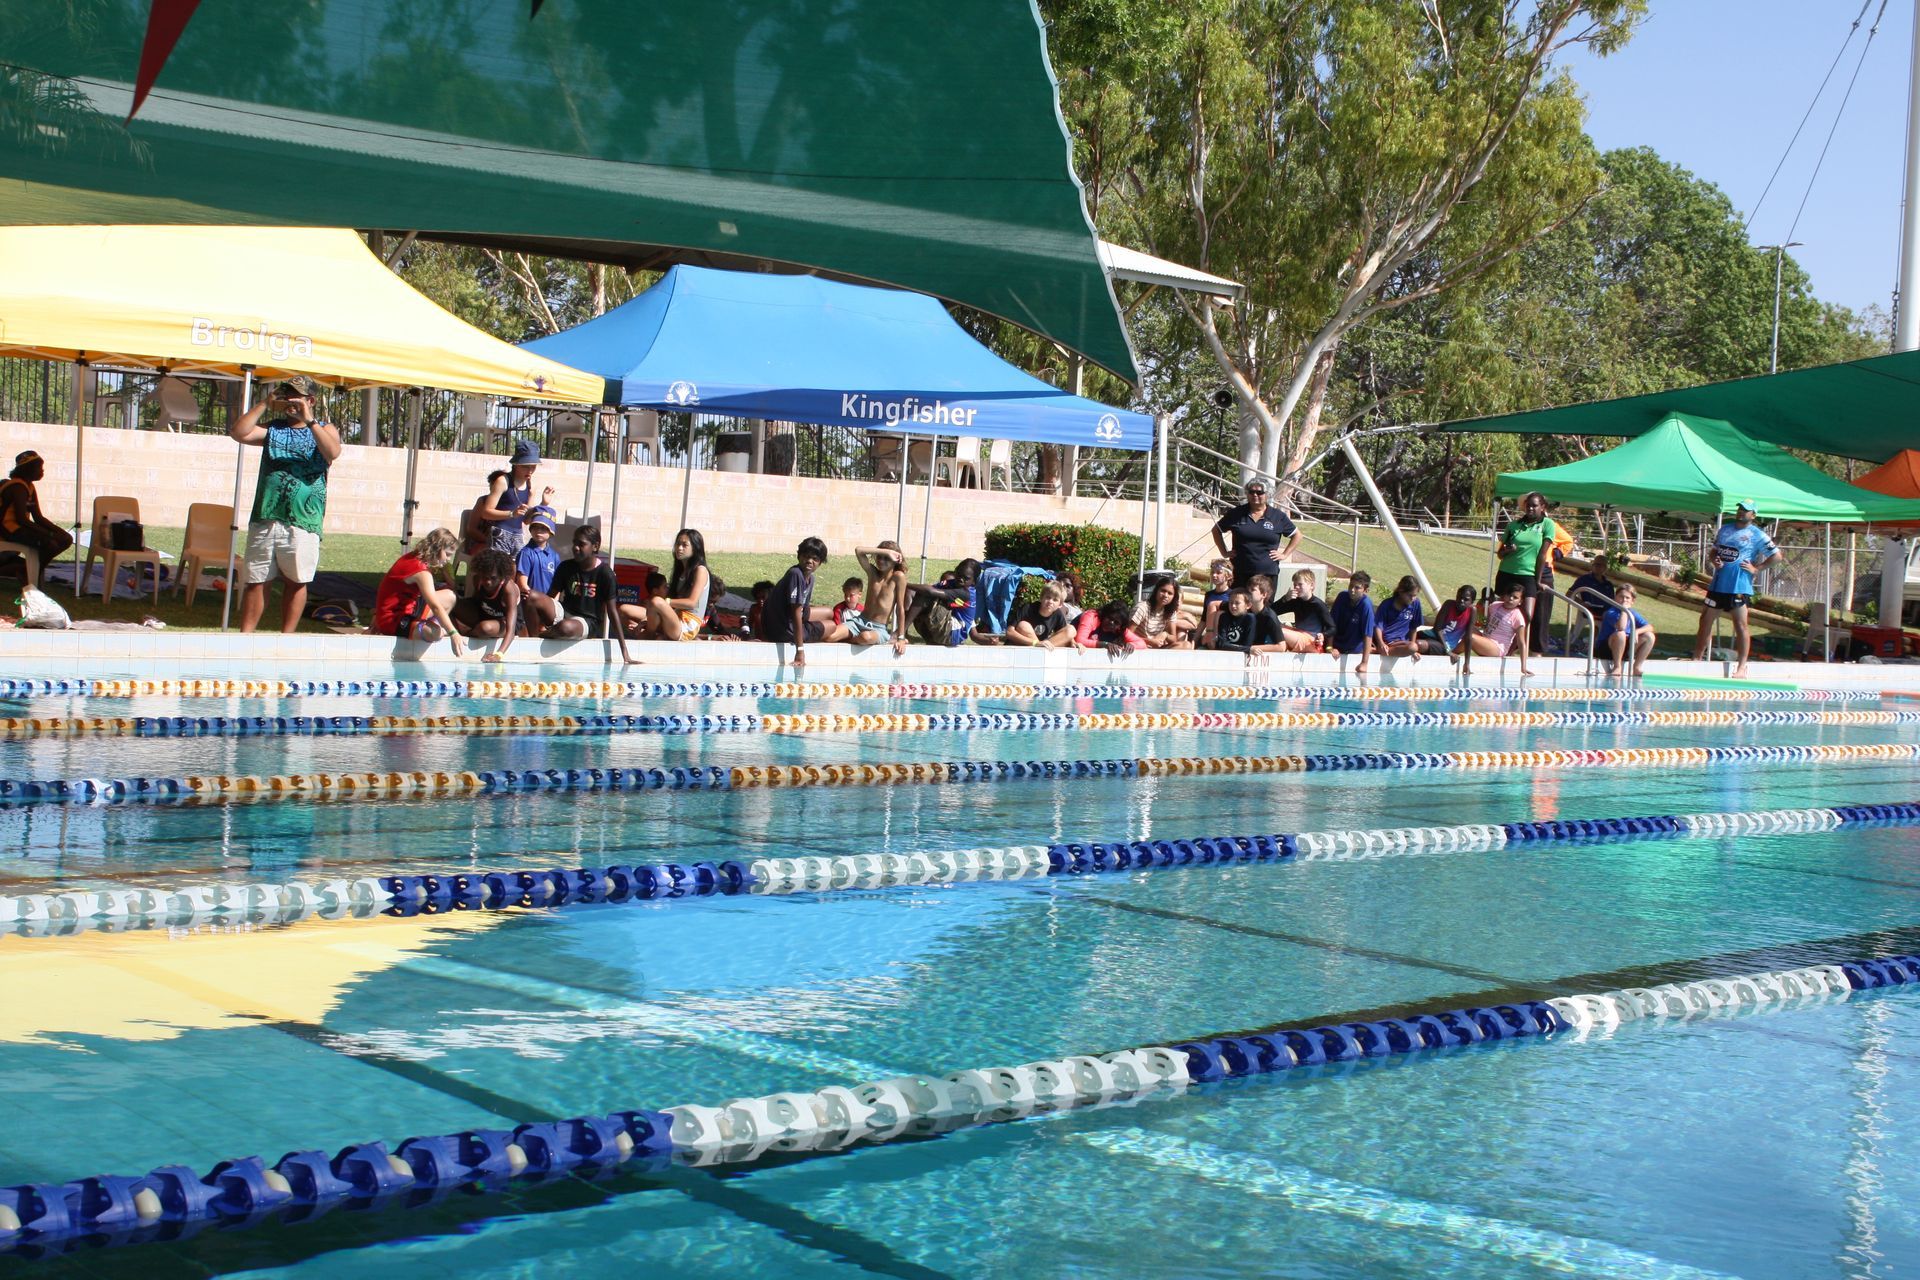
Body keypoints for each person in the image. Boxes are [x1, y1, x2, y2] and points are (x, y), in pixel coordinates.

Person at [231, 378, 341, 633]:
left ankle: (286, 637)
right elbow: (239, 432)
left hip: (304, 519)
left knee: (296, 580)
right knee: (257, 580)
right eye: (286, 395)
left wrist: (310, 419)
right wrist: (264, 404)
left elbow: (332, 452)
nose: (290, 401)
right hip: (267, 515)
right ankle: (245, 637)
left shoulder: (326, 428)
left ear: (310, 400)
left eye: (296, 396)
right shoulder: (274, 429)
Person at [1694, 501, 1782, 678]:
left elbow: (1777, 556)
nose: (1741, 512)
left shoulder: (1757, 535)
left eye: (1746, 511)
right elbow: (1714, 551)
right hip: (1718, 586)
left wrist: (1757, 568)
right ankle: (1697, 659)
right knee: (1705, 620)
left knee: (1740, 626)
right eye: (1740, 509)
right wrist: (1715, 560)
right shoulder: (1725, 529)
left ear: (1753, 515)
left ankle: (1741, 667)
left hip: (1739, 587)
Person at [548, 525, 635, 663]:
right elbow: (550, 598)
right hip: (565, 612)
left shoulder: (606, 574)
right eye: (574, 543)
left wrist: (624, 650)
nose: (575, 547)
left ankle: (545, 634)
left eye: (581, 544)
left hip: (587, 621)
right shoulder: (566, 567)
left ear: (595, 546)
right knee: (533, 598)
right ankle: (535, 636)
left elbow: (612, 612)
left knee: (565, 627)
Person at [372, 527, 465, 652]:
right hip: (392, 620)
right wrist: (453, 632)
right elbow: (435, 606)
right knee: (435, 633)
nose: (448, 559)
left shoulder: (414, 557)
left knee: (450, 596)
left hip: (405, 609)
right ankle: (425, 628)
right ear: (437, 549)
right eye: (447, 554)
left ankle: (423, 625)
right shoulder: (421, 572)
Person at [766, 536, 846, 665]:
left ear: (821, 562)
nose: (809, 561)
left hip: (788, 619)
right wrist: (800, 650)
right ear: (799, 556)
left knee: (829, 613)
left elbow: (803, 609)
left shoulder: (810, 578)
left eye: (815, 559)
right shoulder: (795, 574)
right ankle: (810, 634)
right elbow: (796, 613)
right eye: (806, 556)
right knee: (831, 626)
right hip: (781, 629)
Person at [1210, 479, 1300, 587]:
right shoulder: (1236, 513)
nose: (1255, 495)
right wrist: (1224, 552)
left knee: (1263, 604)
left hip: (1267, 574)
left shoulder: (1278, 516)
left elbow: (1297, 535)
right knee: (1238, 603)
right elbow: (1216, 530)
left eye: (1259, 492)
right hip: (1239, 572)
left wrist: (1284, 554)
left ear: (1268, 494)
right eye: (1251, 492)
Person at [626, 527, 711, 642]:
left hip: (687, 625)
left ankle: (648, 635)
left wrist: (666, 602)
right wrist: (647, 619)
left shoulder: (700, 571)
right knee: (624, 609)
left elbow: (692, 603)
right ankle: (650, 633)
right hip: (674, 617)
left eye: (684, 545)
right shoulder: (680, 571)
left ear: (695, 548)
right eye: (677, 544)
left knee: (656, 601)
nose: (679, 548)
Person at [469, 440, 550, 558]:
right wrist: (512, 513)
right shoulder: (503, 481)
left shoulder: (530, 485)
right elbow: (486, 512)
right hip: (500, 534)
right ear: (516, 464)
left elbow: (526, 520)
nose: (530, 470)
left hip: (518, 535)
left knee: (516, 572)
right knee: (498, 573)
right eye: (526, 466)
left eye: (533, 466)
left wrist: (543, 503)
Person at [0, 451, 72, 585]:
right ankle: (28, 571)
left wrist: (60, 532)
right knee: (50, 543)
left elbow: (38, 517)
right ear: (28, 469)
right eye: (39, 468)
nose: (42, 471)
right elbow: (22, 520)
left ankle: (28, 570)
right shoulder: (17, 487)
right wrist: (50, 534)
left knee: (65, 540)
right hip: (8, 530)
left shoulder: (29, 487)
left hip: (19, 528)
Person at [451, 548, 522, 662]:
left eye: (493, 578)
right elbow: (475, 602)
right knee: (450, 601)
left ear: (501, 576)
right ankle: (458, 634)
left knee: (485, 628)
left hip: (503, 623)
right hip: (484, 614)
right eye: (485, 578)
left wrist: (498, 655)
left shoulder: (508, 589)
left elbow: (511, 631)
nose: (488, 582)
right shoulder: (478, 580)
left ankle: (468, 633)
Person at [848, 543, 910, 655]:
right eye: (879, 557)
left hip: (878, 628)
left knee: (865, 637)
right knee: (831, 636)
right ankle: (851, 637)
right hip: (859, 621)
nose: (881, 561)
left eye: (886, 558)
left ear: (895, 560)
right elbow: (858, 550)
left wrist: (901, 638)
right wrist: (886, 552)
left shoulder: (898, 577)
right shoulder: (873, 573)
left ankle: (852, 638)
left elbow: (900, 608)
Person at [908, 558, 980, 647]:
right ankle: (927, 640)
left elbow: (930, 591)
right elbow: (930, 588)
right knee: (915, 595)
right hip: (948, 628)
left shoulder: (966, 592)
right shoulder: (950, 583)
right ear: (955, 571)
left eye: (966, 578)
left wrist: (905, 584)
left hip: (954, 633)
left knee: (923, 595)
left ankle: (900, 633)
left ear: (974, 582)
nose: (961, 579)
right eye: (959, 574)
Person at [514, 506, 561, 636]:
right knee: (529, 634)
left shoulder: (554, 556)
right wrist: (532, 599)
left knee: (545, 632)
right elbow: (522, 582)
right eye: (535, 527)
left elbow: (558, 584)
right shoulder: (526, 553)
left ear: (551, 532)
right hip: (529, 605)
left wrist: (554, 603)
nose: (538, 531)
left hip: (548, 605)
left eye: (543, 528)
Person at [1468, 582, 1532, 676]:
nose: (1510, 599)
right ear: (1504, 596)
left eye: (1515, 597)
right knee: (1465, 628)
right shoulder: (1495, 605)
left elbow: (1521, 643)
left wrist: (1523, 666)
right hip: (1486, 639)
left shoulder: (1517, 617)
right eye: (1509, 595)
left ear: (1520, 601)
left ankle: (1452, 653)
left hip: (1497, 649)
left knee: (1471, 638)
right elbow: (1485, 621)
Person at [1565, 553, 1618, 655]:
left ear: (1605, 568)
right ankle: (1593, 645)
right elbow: (1569, 594)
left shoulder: (1608, 584)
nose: (1597, 567)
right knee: (1607, 619)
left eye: (1600, 565)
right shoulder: (1584, 579)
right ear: (1592, 565)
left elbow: (1612, 601)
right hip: (1588, 609)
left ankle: (1605, 646)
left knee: (1617, 619)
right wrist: (1582, 604)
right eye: (1595, 564)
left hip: (1605, 611)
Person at [1270, 568, 1334, 652]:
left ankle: (1280, 648)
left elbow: (1332, 627)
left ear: (1311, 585)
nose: (1296, 587)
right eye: (1295, 584)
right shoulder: (1295, 601)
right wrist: (1285, 599)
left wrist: (1323, 635)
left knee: (1278, 630)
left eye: (1300, 584)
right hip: (1299, 635)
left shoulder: (1318, 604)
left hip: (1311, 642)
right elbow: (1270, 612)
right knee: (1271, 624)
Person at [1602, 584, 1656, 677]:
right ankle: (1617, 666)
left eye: (1627, 598)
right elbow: (1621, 627)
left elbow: (1650, 627)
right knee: (1621, 634)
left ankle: (1636, 668)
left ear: (1632, 601)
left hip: (1626, 647)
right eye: (1621, 597)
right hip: (1608, 647)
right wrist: (1624, 610)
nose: (1624, 600)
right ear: (1615, 598)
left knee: (1649, 636)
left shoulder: (1633, 613)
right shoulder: (1611, 612)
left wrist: (1637, 631)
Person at [1004, 578, 1075, 647]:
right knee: (1023, 625)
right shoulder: (1028, 608)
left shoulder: (1057, 614)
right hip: (1022, 645)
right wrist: (1035, 643)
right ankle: (1041, 648)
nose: (1050, 602)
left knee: (1071, 630)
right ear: (1041, 598)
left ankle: (1043, 648)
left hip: (1042, 645)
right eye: (1048, 597)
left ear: (1060, 605)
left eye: (1055, 600)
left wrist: (1074, 643)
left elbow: (1064, 633)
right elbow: (1009, 632)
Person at [1330, 570, 1376, 673]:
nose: (1352, 590)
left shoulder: (1366, 606)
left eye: (1357, 587)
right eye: (1351, 586)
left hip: (1354, 650)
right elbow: (1331, 624)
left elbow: (1368, 635)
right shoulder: (1342, 597)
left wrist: (1364, 663)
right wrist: (1330, 647)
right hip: (1337, 646)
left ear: (1366, 590)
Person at [1419, 584, 1478, 661]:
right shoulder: (1449, 604)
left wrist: (1466, 663)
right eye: (1459, 597)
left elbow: (1468, 637)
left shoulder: (1472, 611)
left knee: (1419, 644)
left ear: (1472, 601)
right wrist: (1448, 651)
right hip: (1432, 636)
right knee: (1410, 636)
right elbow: (1437, 628)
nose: (1461, 601)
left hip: (1445, 645)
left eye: (1466, 599)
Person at [1373, 575, 1424, 662]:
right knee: (1413, 647)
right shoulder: (1386, 605)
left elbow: (1413, 627)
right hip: (1387, 641)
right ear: (1401, 591)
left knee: (1414, 646)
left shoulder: (1415, 603)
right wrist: (1381, 643)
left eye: (1415, 595)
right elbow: (1378, 626)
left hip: (1402, 642)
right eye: (1409, 595)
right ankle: (1381, 650)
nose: (1412, 598)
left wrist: (1413, 650)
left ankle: (1378, 651)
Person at [1133, 577, 1193, 649]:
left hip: (1157, 648)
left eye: (1170, 593)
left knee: (1186, 645)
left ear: (1174, 597)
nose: (1165, 595)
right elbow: (1127, 634)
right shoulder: (1142, 608)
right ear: (1156, 591)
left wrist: (1165, 635)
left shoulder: (1170, 611)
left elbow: (1173, 639)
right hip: (1139, 647)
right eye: (1163, 591)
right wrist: (1150, 642)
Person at [1074, 599, 1145, 654]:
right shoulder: (1092, 616)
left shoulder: (1120, 630)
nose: (1111, 623)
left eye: (1116, 622)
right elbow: (1079, 641)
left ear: (1120, 626)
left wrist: (1130, 645)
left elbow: (1142, 644)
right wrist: (1104, 644)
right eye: (1110, 618)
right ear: (1105, 614)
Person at [1211, 585, 1259, 656]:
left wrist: (1246, 649)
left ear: (1248, 605)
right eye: (1231, 603)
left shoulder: (1250, 619)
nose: (1233, 606)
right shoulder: (1224, 617)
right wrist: (1245, 649)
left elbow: (1248, 645)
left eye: (1237, 603)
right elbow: (1221, 644)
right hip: (1224, 655)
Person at [1198, 559, 1233, 645]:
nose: (1214, 575)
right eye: (1212, 572)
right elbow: (1203, 620)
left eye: (1218, 572)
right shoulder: (1209, 595)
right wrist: (1194, 641)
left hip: (1225, 634)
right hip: (1210, 634)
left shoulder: (1232, 595)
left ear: (1228, 576)